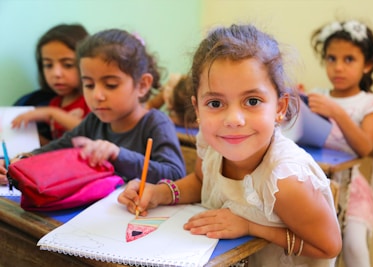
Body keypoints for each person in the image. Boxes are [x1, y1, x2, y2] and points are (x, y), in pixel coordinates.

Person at [118, 24, 342, 266]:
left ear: (279, 108)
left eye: (252, 101)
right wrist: (158, 193)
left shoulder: (284, 180)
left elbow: (328, 246)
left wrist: (249, 226)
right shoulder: (212, 142)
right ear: (197, 109)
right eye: (215, 103)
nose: (233, 120)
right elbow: (203, 181)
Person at [0, 29, 186, 185]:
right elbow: (59, 147)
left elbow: (176, 175)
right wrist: (22, 160)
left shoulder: (156, 123)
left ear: (143, 85)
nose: (96, 95)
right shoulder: (94, 121)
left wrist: (118, 155)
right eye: (88, 85)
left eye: (111, 85)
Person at [309, 19, 373, 267]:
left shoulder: (371, 104)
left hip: (351, 189)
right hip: (316, 182)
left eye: (349, 59)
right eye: (332, 58)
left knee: (355, 247)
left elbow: (365, 147)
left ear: (367, 65)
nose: (338, 67)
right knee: (315, 246)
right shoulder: (317, 96)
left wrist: (337, 112)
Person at [12, 24, 91, 145]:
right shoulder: (54, 103)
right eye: (48, 65)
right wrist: (33, 138)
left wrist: (52, 113)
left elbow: (90, 132)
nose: (56, 74)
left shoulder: (90, 100)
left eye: (68, 65)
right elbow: (56, 147)